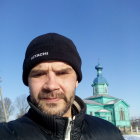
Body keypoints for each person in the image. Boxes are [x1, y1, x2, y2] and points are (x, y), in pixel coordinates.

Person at [0, 33, 124, 140]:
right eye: (39, 74)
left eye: (62, 73)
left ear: (76, 81)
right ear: (28, 81)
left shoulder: (110, 134)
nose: (51, 86)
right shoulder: (7, 135)